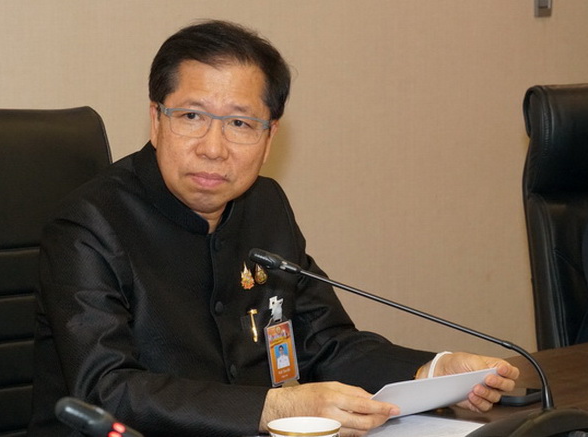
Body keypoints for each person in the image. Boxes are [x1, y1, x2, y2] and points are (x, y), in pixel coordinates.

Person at [29, 20, 518, 437]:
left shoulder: (265, 205)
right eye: (192, 116)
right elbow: (107, 388)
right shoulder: (88, 225)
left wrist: (433, 371)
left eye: (240, 124)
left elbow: (325, 341)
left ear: (269, 137)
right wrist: (275, 407)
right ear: (156, 120)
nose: (213, 148)